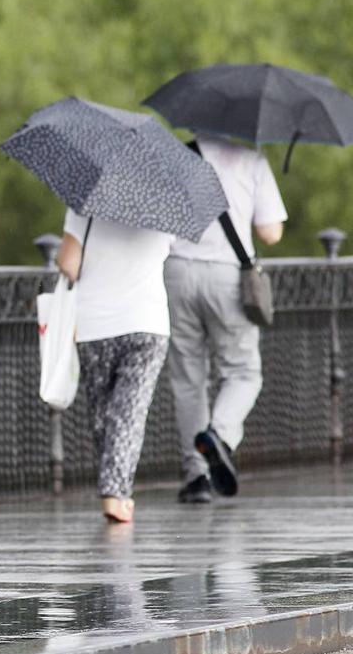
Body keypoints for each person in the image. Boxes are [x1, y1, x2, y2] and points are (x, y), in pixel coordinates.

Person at [169, 134, 286, 504]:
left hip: (175, 271)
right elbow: (271, 233)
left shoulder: (178, 155)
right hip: (226, 277)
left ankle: (197, 478)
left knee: (189, 378)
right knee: (243, 371)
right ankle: (218, 436)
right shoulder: (252, 159)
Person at [58, 212, 174, 523]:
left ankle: (115, 489)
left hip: (95, 324)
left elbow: (68, 262)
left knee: (102, 415)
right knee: (129, 411)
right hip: (146, 323)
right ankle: (116, 492)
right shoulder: (167, 204)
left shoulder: (85, 203)